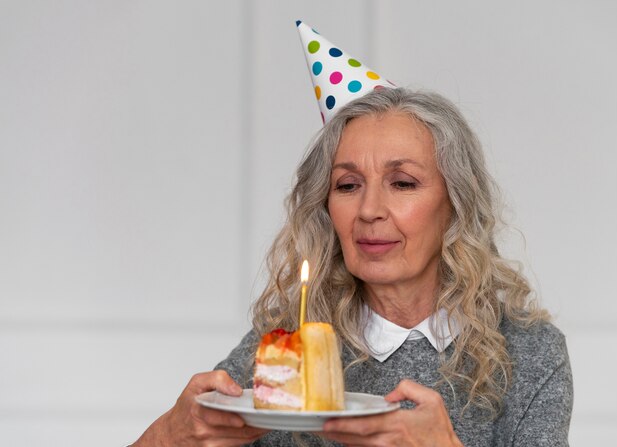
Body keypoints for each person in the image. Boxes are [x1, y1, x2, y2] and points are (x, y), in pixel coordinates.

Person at [131, 87, 572, 446]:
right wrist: (170, 435)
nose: (369, 210)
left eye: (402, 183)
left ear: (455, 205)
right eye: (347, 185)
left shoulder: (528, 352)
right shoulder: (289, 344)